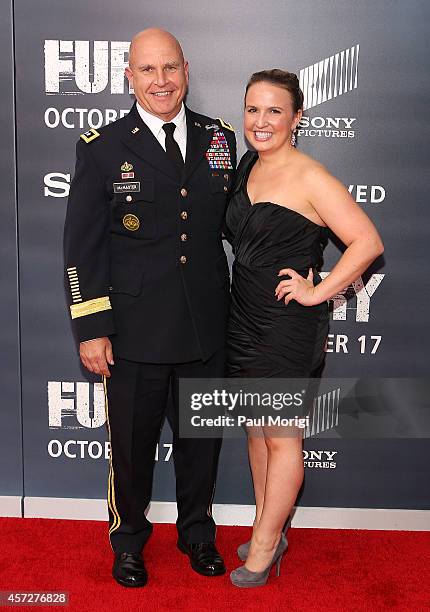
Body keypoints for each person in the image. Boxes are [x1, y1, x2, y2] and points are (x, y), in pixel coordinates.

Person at [63, 28, 236, 587]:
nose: (161, 81)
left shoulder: (221, 140)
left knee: (200, 445)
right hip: (133, 332)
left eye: (170, 68)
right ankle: (129, 542)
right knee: (131, 452)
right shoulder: (104, 146)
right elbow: (82, 245)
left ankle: (197, 535)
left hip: (206, 325)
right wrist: (91, 327)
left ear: (186, 69)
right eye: (147, 70)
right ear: (129, 76)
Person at [225, 69, 384, 588]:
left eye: (274, 111)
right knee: (256, 429)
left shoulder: (311, 175)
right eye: (252, 109)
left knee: (282, 438)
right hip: (244, 314)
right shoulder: (249, 163)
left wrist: (318, 290)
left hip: (287, 326)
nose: (260, 121)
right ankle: (266, 524)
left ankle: (267, 545)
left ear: (297, 118)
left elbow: (366, 241)